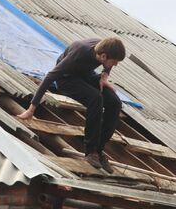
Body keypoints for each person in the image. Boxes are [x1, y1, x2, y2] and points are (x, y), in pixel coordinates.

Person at [18, 37, 126, 174]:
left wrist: (104, 77)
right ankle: (91, 151)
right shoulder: (79, 54)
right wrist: (31, 109)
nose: (115, 64)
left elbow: (108, 65)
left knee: (115, 103)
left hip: (86, 75)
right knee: (95, 98)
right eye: (115, 61)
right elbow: (50, 77)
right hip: (67, 79)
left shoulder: (105, 48)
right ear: (103, 56)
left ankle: (99, 150)